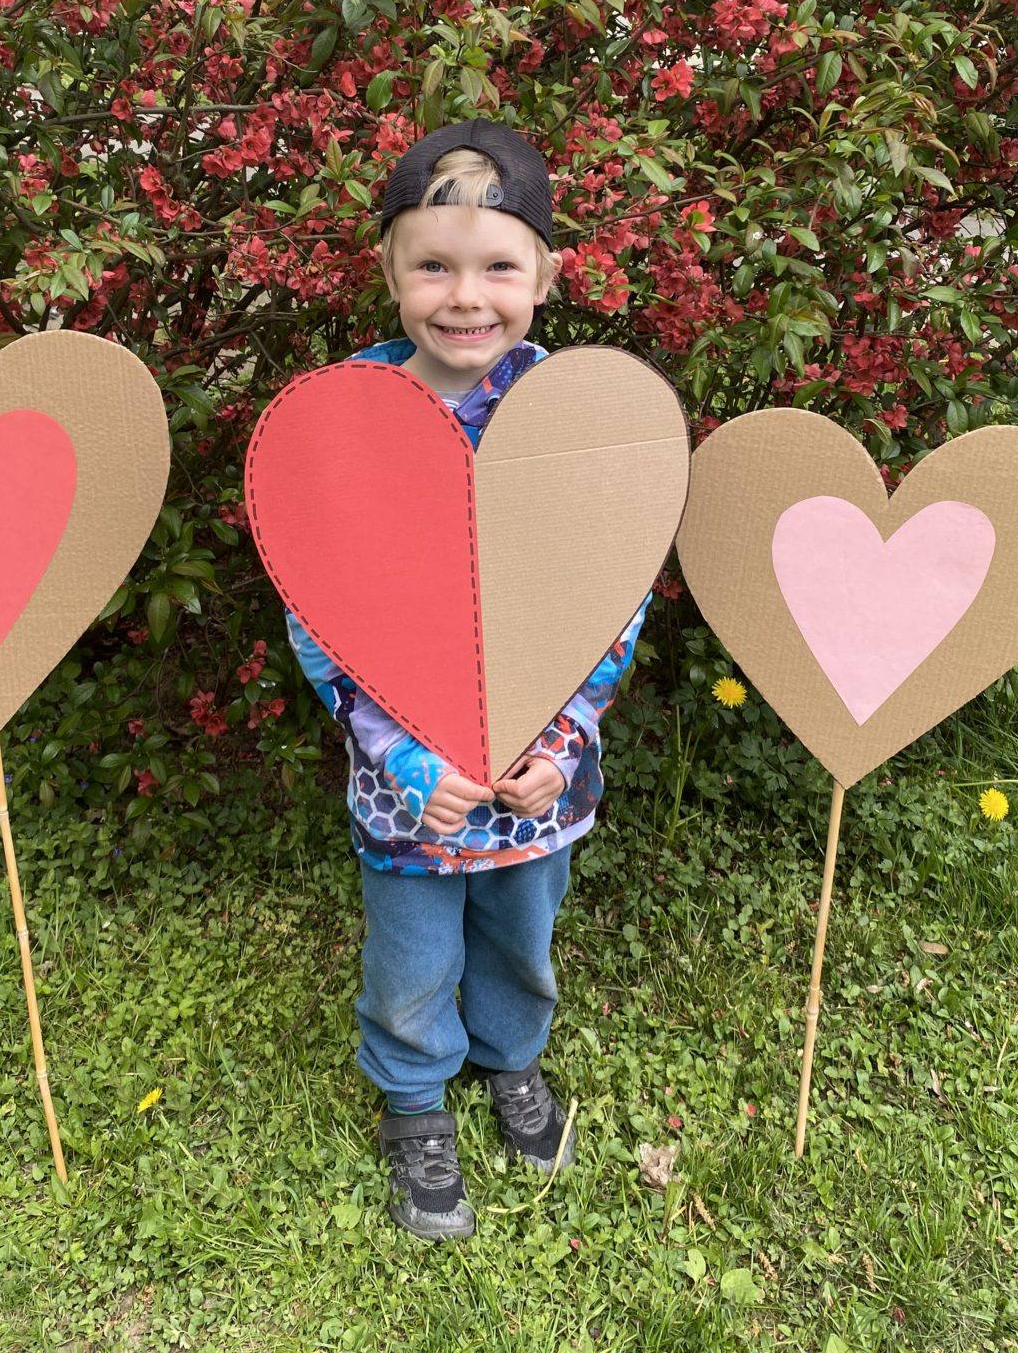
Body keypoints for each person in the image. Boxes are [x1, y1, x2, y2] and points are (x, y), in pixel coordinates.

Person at [285, 118, 652, 1241]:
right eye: (433, 266)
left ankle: (512, 1062)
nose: (465, 297)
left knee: (520, 940)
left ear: (547, 273)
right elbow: (318, 609)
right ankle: (414, 1102)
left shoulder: (581, 420)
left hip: (538, 782)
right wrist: (401, 753)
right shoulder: (344, 420)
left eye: (498, 266)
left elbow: (614, 591)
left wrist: (565, 736)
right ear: (390, 270)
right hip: (410, 789)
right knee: (410, 957)